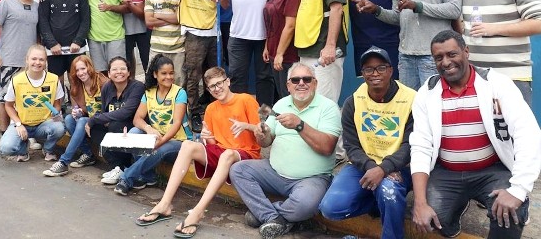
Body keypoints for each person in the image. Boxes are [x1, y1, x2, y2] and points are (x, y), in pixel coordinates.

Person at [410, 30, 541, 239]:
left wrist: (518, 189)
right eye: (438, 58)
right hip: (447, 173)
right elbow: (421, 145)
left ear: (466, 52)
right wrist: (419, 202)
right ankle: (454, 215)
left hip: (491, 170)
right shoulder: (428, 92)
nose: (446, 62)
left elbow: (528, 133)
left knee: (509, 213)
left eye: (452, 54)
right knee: (433, 218)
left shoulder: (497, 84)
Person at [135, 67, 260, 238]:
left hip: (246, 154)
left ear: (228, 81)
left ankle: (198, 212)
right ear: (208, 90)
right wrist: (208, 138)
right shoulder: (211, 109)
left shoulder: (245, 100)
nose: (217, 89)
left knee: (228, 154)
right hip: (224, 155)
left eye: (219, 83)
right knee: (187, 145)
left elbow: (263, 132)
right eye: (212, 87)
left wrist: (247, 126)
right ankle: (164, 204)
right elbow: (214, 145)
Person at [230, 62, 341, 239]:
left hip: (311, 179)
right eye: (296, 80)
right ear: (288, 85)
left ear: (315, 83)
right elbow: (266, 142)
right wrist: (261, 133)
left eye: (307, 79)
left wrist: (299, 125)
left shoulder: (328, 108)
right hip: (274, 172)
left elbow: (327, 147)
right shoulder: (281, 104)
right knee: (238, 170)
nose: (301, 83)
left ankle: (264, 214)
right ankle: (274, 217)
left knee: (306, 203)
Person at [319, 47, 415, 239]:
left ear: (390, 70)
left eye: (380, 68)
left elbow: (411, 144)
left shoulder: (411, 99)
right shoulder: (353, 102)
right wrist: (372, 167)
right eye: (368, 69)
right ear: (362, 74)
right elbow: (351, 146)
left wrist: (384, 168)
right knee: (330, 208)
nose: (375, 74)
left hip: (400, 166)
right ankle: (380, 203)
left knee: (389, 192)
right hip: (363, 165)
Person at [461, 0, 541, 106]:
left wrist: (494, 29)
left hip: (512, 75)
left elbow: (538, 23)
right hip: (474, 76)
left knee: (516, 131)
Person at [113, 54, 191, 195]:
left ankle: (126, 178)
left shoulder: (180, 93)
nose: (168, 77)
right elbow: (137, 119)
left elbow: (177, 124)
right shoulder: (149, 92)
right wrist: (148, 128)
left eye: (171, 73)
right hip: (158, 137)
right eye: (164, 73)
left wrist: (160, 142)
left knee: (157, 150)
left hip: (179, 142)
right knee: (134, 133)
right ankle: (148, 177)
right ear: (155, 74)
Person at [160, 0, 218, 132]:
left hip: (213, 33)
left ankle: (214, 109)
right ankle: (193, 112)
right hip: (194, 33)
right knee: (193, 76)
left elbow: (225, 3)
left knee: (214, 74)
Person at [0, 0, 39, 134]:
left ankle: (26, 132)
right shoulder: (6, 3)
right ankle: (5, 133)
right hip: (8, 60)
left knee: (27, 100)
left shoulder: (38, 7)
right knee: (5, 99)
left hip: (31, 64)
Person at [0, 45, 66, 162]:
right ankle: (23, 149)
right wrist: (18, 124)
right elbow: (8, 106)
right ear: (27, 60)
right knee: (6, 148)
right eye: (34, 59)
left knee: (59, 127)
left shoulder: (53, 79)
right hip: (22, 123)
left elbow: (57, 103)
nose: (37, 62)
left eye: (41, 59)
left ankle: (48, 149)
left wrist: (56, 114)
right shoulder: (17, 80)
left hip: (43, 124)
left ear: (45, 62)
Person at [43, 55, 108, 176]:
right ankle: (88, 154)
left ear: (90, 67)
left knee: (83, 121)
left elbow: (109, 110)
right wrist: (77, 111)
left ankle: (63, 162)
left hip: (104, 121)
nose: (80, 73)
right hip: (89, 120)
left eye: (83, 68)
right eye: (77, 70)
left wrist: (87, 118)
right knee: (69, 119)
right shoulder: (77, 86)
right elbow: (81, 109)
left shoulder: (103, 83)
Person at [85, 56, 145, 184]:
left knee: (115, 125)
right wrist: (94, 121)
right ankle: (117, 167)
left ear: (129, 72)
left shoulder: (137, 87)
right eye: (115, 69)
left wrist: (95, 118)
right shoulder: (107, 87)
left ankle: (124, 166)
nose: (119, 72)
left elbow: (126, 112)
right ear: (109, 73)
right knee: (95, 128)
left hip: (134, 128)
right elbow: (104, 112)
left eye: (123, 69)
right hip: (115, 126)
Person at [38, 0, 90, 84]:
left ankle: (78, 105)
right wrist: (51, 43)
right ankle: (59, 105)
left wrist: (78, 41)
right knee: (56, 84)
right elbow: (43, 22)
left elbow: (85, 20)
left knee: (76, 83)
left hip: (76, 49)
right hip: (54, 49)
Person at [263, 0, 302, 99]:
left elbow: (290, 26)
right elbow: (271, 22)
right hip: (274, 53)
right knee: (281, 94)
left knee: (289, 95)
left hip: (287, 55)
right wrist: (267, 46)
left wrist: (280, 54)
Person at [143, 0, 185, 85]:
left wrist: (159, 15)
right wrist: (172, 18)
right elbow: (149, 21)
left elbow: (181, 18)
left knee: (178, 82)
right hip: (157, 47)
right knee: (154, 82)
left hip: (178, 47)